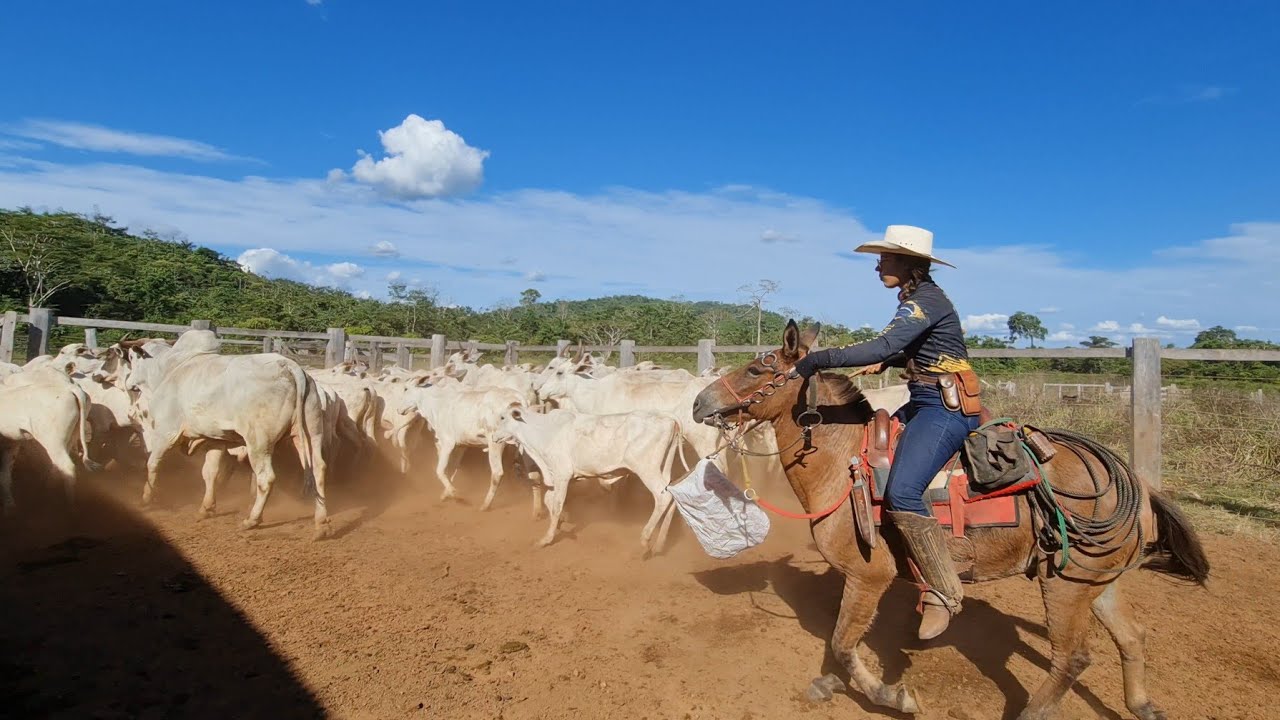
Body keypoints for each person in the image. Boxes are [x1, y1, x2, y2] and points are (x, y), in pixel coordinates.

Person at [791, 224, 980, 640]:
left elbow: (880, 344)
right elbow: (918, 349)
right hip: (926, 400)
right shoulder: (920, 299)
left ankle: (944, 591)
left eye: (887, 259)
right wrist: (892, 361)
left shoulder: (923, 302)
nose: (878, 266)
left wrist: (816, 360)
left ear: (910, 263)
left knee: (903, 491)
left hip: (943, 410)